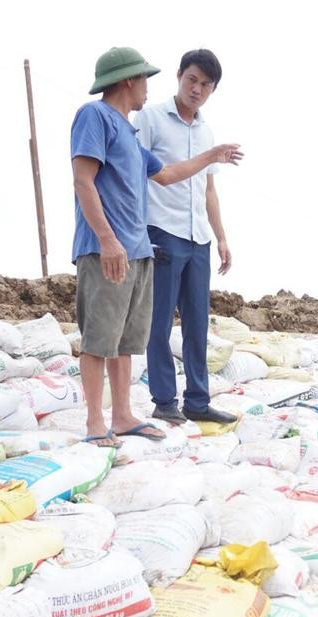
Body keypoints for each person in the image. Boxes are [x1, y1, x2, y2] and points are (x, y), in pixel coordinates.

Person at [70, 46, 242, 446]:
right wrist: (108, 239)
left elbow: (166, 174)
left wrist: (212, 155)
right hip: (107, 248)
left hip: (138, 250)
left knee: (126, 339)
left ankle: (124, 415)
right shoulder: (94, 116)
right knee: (100, 338)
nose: (149, 87)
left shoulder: (128, 132)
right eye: (144, 78)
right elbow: (83, 181)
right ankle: (97, 423)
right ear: (129, 80)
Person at [135, 48, 236, 425]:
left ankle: (197, 400)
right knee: (159, 321)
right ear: (179, 75)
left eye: (205, 85)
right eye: (192, 79)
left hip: (198, 238)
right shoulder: (150, 118)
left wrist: (221, 237)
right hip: (162, 229)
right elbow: (136, 171)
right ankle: (164, 400)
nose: (197, 89)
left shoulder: (206, 131)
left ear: (212, 90)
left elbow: (208, 189)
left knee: (197, 323)